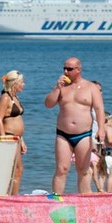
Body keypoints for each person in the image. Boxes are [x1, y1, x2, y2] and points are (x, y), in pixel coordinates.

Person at [44, 56, 105, 194]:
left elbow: (99, 109)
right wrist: (57, 88)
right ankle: (57, 200)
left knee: (82, 170)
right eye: (64, 68)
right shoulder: (61, 87)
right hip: (63, 134)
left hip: (83, 134)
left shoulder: (90, 87)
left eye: (69, 69)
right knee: (61, 169)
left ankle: (84, 201)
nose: (66, 71)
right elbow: (48, 104)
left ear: (78, 70)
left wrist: (101, 129)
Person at [0, 71, 27, 194]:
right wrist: (3, 139)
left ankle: (12, 195)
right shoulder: (5, 98)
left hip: (17, 138)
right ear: (15, 83)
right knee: (17, 170)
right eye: (21, 82)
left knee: (17, 170)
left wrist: (22, 140)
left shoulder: (15, 98)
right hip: (9, 137)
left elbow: (17, 120)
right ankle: (13, 198)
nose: (23, 85)